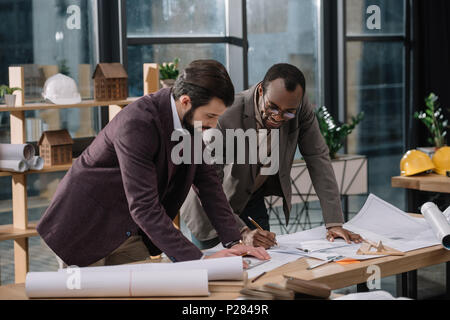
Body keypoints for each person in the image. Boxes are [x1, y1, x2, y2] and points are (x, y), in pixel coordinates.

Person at [37, 59, 270, 268]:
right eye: (210, 116)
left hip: (129, 230)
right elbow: (144, 206)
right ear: (186, 101)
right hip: (85, 225)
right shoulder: (138, 123)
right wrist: (200, 260)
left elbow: (208, 184)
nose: (213, 124)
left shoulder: (192, 123)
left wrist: (234, 240)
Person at [181, 63, 362, 249]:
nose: (278, 117)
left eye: (288, 113)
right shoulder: (225, 115)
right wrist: (242, 232)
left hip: (251, 196)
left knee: (266, 261)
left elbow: (317, 156)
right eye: (272, 108)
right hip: (210, 205)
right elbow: (208, 186)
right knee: (219, 271)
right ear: (260, 92)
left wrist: (334, 223)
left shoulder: (298, 107)